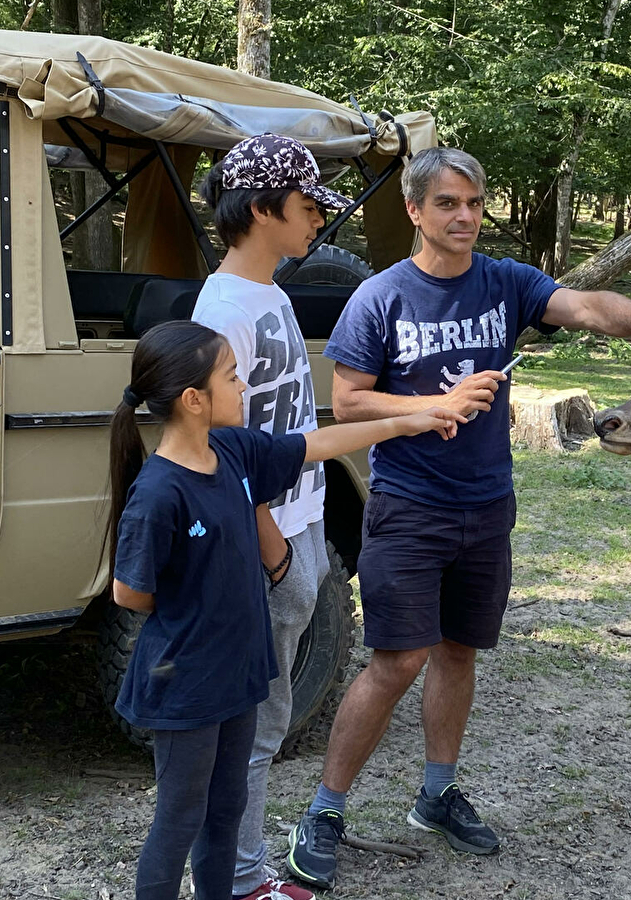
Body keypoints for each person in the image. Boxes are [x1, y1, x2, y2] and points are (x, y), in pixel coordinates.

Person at [284, 146, 631, 891]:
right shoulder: (380, 297)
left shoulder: (505, 283)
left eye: (475, 204)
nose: (464, 217)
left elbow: (582, 305)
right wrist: (433, 408)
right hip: (410, 507)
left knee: (458, 652)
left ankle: (437, 794)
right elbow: (349, 400)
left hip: (486, 508)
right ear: (416, 211)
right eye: (448, 204)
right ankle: (323, 813)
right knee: (397, 661)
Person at [107, 320, 462, 900]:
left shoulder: (232, 450)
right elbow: (130, 593)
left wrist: (409, 421)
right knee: (178, 822)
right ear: (194, 400)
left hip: (240, 674)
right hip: (185, 686)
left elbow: (313, 445)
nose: (243, 384)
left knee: (226, 812)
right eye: (230, 376)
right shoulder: (159, 493)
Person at [189, 132, 349, 900]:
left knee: (271, 719)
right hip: (269, 538)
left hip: (303, 520)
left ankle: (243, 873)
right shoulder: (223, 310)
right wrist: (276, 553)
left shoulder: (275, 294)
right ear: (262, 209)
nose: (319, 219)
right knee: (251, 730)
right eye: (308, 205)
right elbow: (220, 449)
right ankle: (242, 882)